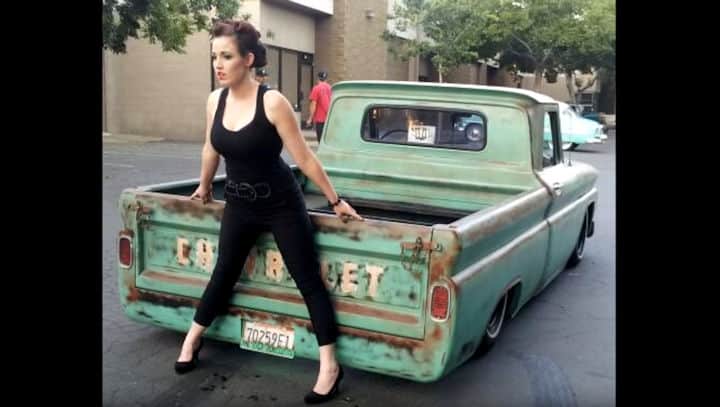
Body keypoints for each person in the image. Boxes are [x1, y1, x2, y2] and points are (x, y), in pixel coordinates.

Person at [175, 19, 363, 405]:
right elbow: (210, 148)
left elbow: (305, 159)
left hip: (281, 204)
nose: (218, 64)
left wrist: (335, 200)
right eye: (214, 57)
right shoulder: (215, 100)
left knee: (307, 279)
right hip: (239, 203)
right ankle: (192, 339)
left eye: (227, 56)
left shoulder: (272, 102)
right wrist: (205, 185)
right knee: (224, 272)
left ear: (248, 60)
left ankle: (330, 367)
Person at [306, 71, 331, 142]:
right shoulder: (331, 88)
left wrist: (310, 118)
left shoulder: (316, 88)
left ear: (318, 78)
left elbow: (313, 104)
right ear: (326, 79)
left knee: (320, 141)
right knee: (327, 141)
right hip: (329, 119)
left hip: (320, 120)